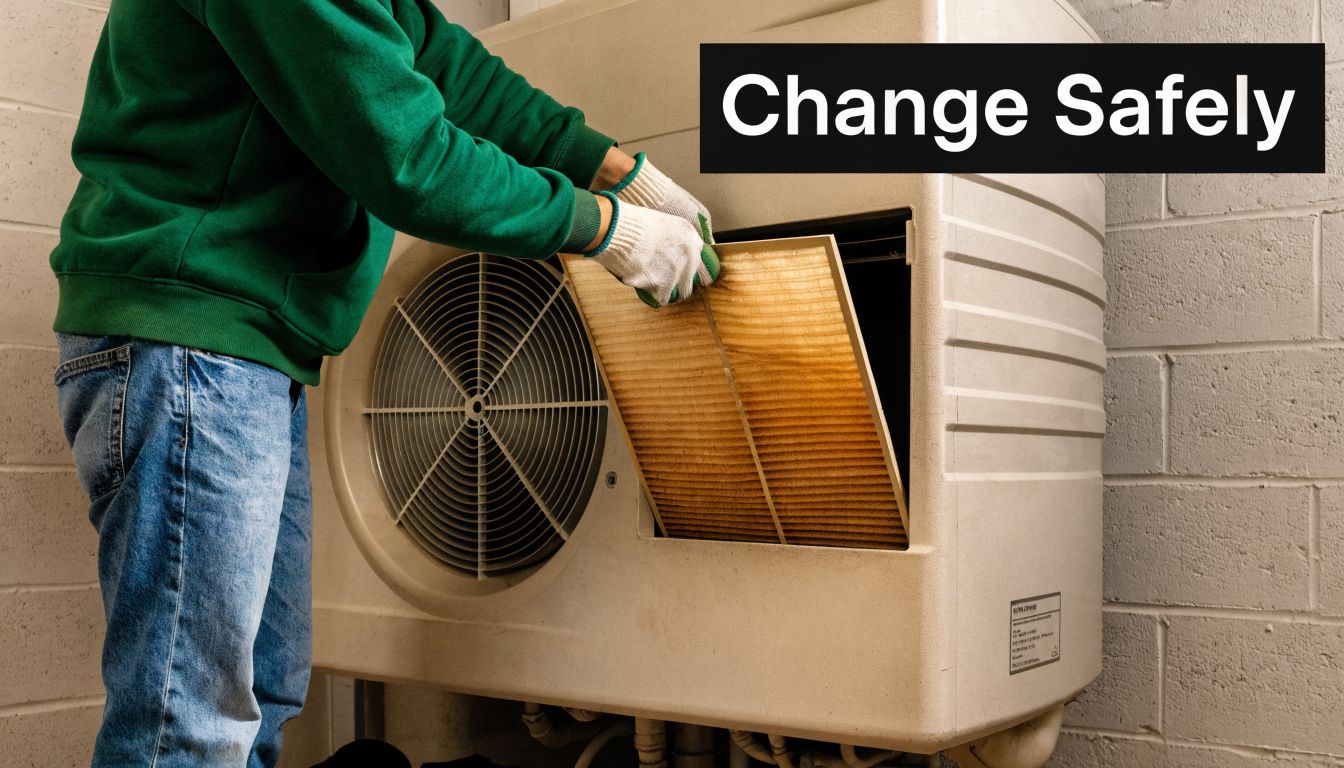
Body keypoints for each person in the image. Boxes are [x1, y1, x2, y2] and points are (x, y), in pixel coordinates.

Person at [48, 0, 717, 766]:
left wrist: (624, 173)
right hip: (190, 341)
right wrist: (606, 228)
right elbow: (407, 157)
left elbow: (442, 68)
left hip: (242, 352)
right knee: (189, 724)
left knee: (261, 697)